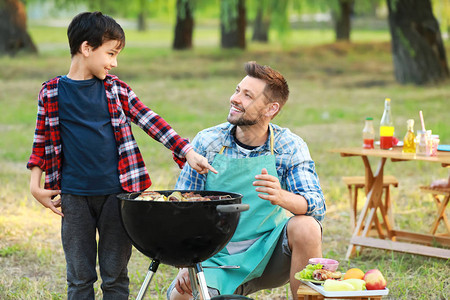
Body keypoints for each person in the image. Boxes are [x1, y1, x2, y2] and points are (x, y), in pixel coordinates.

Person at [26, 11, 216, 300]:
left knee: (115, 275)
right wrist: (34, 185)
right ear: (86, 48)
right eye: (110, 53)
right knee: (79, 277)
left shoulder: (116, 90)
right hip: (74, 198)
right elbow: (41, 141)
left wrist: (186, 150)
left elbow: (151, 121)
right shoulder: (51, 92)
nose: (114, 63)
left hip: (118, 197)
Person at [167, 61, 325, 299]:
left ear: (270, 109)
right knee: (181, 297)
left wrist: (282, 196)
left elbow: (317, 206)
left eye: (247, 95)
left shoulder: (288, 146)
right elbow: (181, 209)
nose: (235, 98)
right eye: (237, 90)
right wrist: (187, 264)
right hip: (215, 256)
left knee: (307, 227)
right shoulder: (208, 142)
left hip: (269, 253)